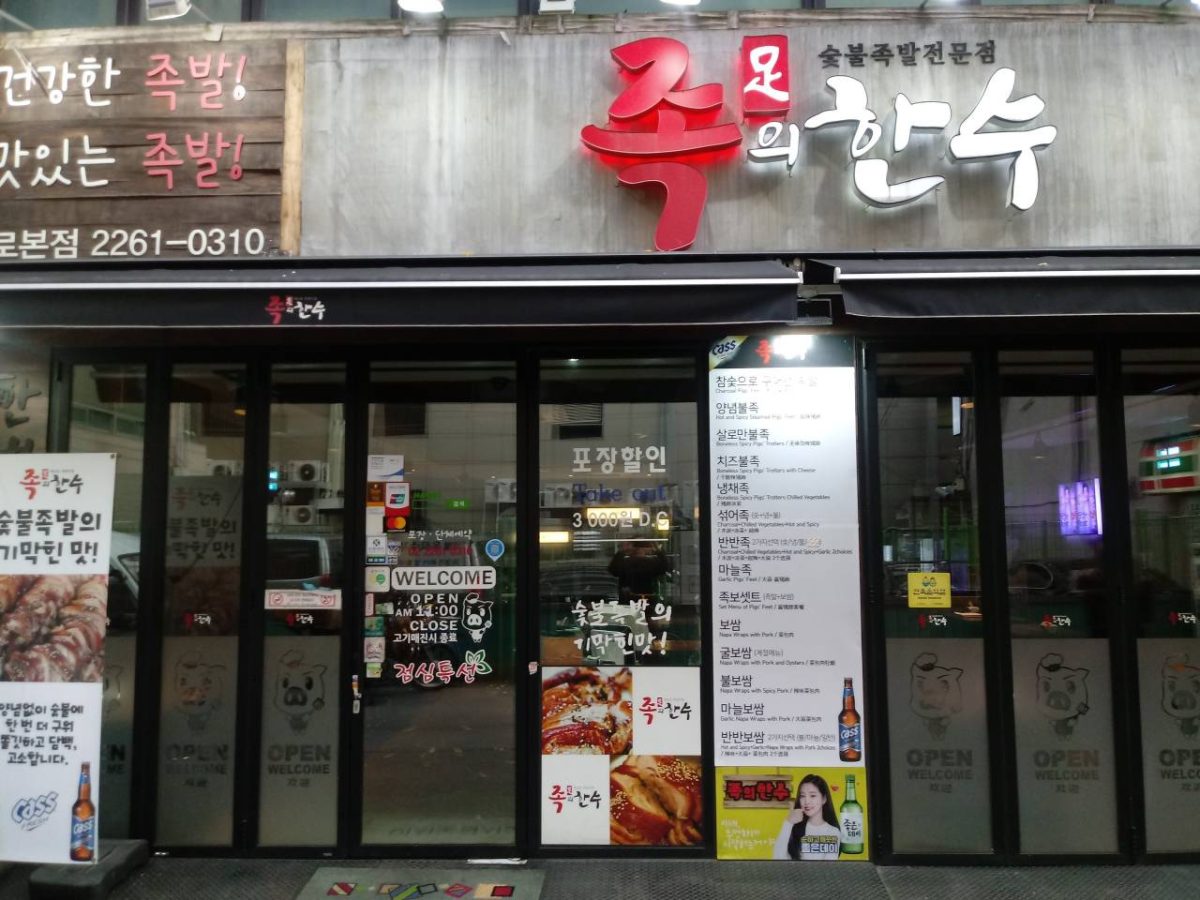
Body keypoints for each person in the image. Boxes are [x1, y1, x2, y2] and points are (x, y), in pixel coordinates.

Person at [772, 774, 842, 861]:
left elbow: (828, 866)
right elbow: (777, 858)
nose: (807, 801)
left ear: (824, 799)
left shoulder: (833, 832)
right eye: (802, 796)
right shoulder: (793, 827)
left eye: (812, 796)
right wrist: (788, 822)